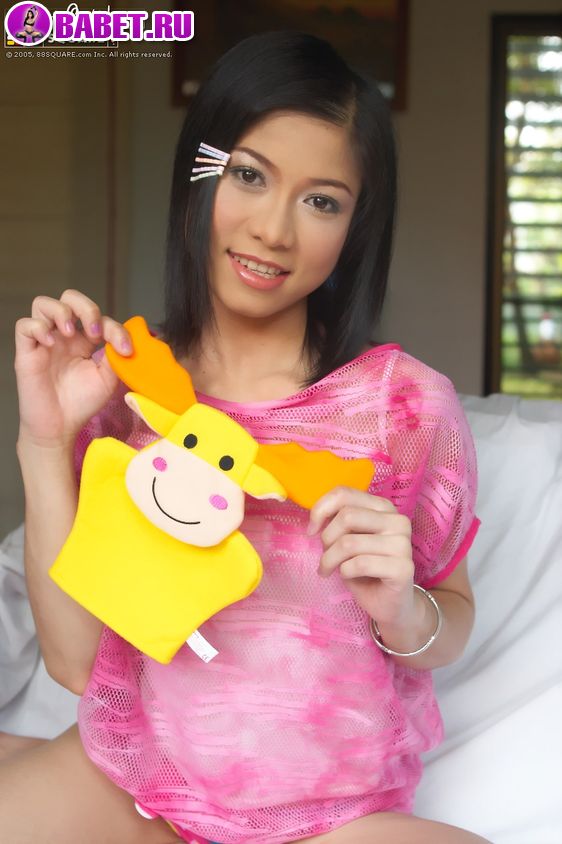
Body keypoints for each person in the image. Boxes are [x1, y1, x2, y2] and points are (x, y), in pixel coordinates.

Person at [3, 31, 489, 844]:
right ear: (198, 176)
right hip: (137, 790)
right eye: (249, 175)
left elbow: (454, 614)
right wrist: (47, 442)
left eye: (321, 201)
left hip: (334, 820)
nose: (273, 230)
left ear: (355, 226)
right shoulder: (126, 391)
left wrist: (405, 613)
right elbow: (76, 664)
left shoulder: (405, 408)